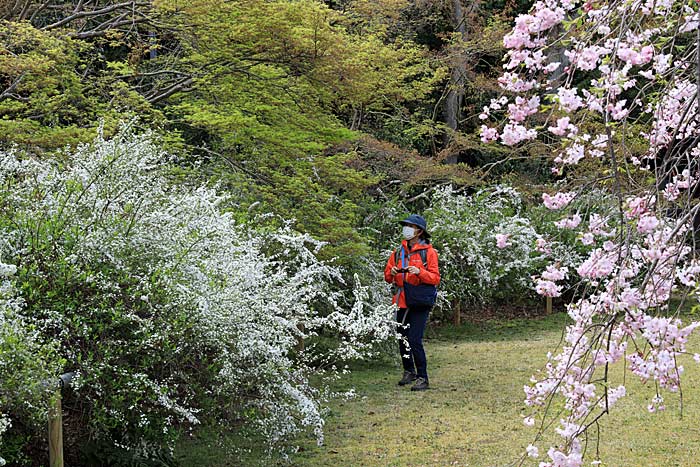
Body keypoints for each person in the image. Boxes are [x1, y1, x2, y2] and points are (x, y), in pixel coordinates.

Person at [384, 214, 440, 391]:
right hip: (401, 300)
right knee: (402, 338)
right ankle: (409, 371)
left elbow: (435, 278)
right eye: (406, 225)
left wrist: (419, 272)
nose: (406, 229)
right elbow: (387, 277)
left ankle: (423, 377)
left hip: (419, 301)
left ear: (419, 231)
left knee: (414, 339)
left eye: (410, 226)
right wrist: (392, 272)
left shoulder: (429, 252)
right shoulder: (397, 252)